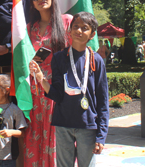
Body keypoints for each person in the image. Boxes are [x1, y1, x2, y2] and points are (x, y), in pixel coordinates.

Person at [30, 12, 109, 167]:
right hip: (63, 123)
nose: (79, 31)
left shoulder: (96, 60)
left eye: (84, 28)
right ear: (69, 30)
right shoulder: (59, 58)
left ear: (92, 35)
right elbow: (57, 95)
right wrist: (40, 78)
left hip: (87, 125)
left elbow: (103, 99)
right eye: (76, 27)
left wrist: (101, 136)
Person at [24, 0, 72, 167]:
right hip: (35, 93)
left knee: (56, 138)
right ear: (32, 3)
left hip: (57, 91)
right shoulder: (30, 28)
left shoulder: (66, 21)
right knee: (34, 139)